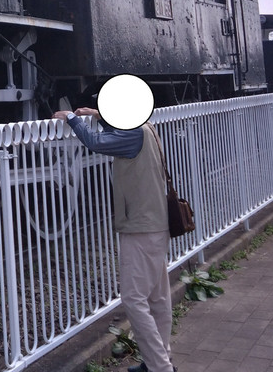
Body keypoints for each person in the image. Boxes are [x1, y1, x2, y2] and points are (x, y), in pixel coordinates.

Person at [52, 75, 175, 372]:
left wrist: (72, 118)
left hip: (141, 227)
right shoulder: (147, 128)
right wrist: (98, 116)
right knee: (158, 298)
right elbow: (119, 132)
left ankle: (160, 368)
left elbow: (96, 142)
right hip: (155, 222)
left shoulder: (133, 135)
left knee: (133, 299)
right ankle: (157, 361)